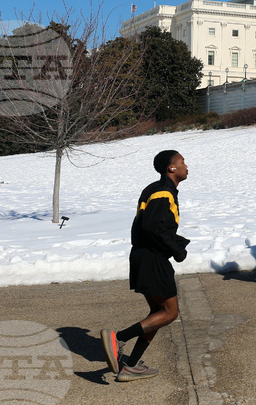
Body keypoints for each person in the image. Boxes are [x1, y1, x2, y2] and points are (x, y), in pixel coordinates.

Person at [101, 150, 191, 381]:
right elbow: (152, 227)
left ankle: (131, 366)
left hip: (143, 255)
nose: (186, 166)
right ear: (171, 168)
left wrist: (175, 242)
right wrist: (176, 250)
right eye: (182, 162)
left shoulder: (155, 189)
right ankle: (118, 338)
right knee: (170, 313)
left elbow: (150, 225)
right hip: (152, 257)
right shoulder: (163, 192)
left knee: (157, 314)